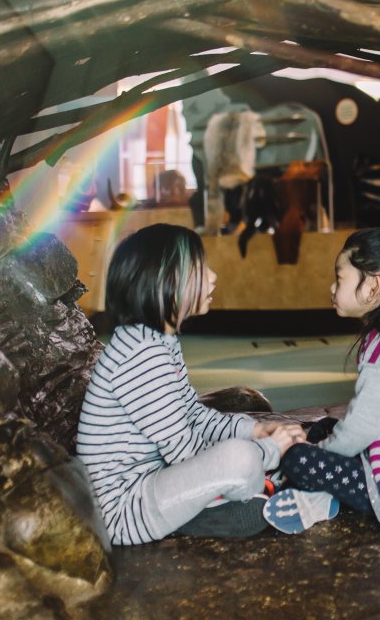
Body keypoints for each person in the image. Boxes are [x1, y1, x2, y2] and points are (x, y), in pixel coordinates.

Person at [76, 224, 304, 544]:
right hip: (127, 513)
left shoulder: (159, 340)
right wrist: (267, 451)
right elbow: (186, 453)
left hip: (153, 485)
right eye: (200, 269)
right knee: (239, 459)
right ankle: (244, 494)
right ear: (164, 282)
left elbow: (193, 414)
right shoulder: (141, 354)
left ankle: (240, 493)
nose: (212, 277)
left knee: (242, 450)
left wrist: (253, 431)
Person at [264, 228, 380, 540]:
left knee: (298, 459)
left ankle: (312, 497)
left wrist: (314, 451)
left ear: (374, 285)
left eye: (340, 279)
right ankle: (322, 497)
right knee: (324, 426)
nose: (332, 288)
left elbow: (363, 428)